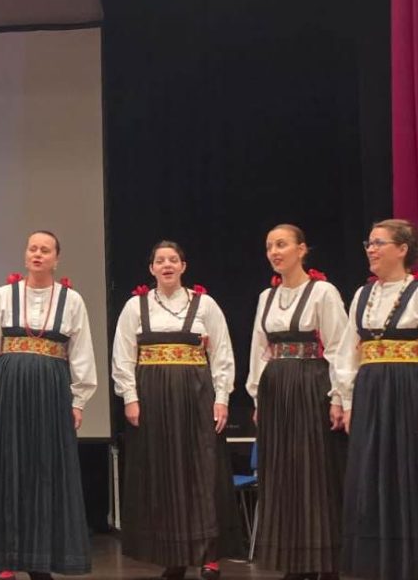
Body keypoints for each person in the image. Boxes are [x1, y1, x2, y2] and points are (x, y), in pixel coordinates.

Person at [0, 231, 96, 579]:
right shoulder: (4, 295)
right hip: (8, 388)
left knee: (45, 469)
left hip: (52, 391)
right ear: (25, 256)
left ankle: (41, 559)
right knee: (5, 467)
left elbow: (81, 353)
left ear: (56, 258)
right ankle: (4, 557)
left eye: (45, 250)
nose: (38, 254)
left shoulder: (72, 301)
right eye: (33, 249)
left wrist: (79, 400)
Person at [338, 219, 418, 580]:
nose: (371, 249)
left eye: (379, 242)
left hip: (409, 393)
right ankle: (379, 563)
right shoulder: (362, 296)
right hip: (371, 394)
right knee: (372, 476)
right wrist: (347, 400)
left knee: (415, 476)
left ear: (403, 249)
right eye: (369, 243)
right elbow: (347, 353)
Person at [111, 240, 242, 580]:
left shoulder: (204, 304)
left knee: (202, 472)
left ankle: (209, 555)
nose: (166, 265)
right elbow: (123, 355)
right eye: (160, 260)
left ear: (183, 266)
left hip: (196, 395)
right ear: (151, 268)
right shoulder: (135, 306)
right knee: (163, 474)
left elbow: (222, 353)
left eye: (173, 260)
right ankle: (173, 556)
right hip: (152, 398)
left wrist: (222, 397)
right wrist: (130, 397)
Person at [246, 224, 347, 580]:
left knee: (314, 471)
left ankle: (325, 561)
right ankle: (294, 561)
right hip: (276, 388)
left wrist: (339, 397)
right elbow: (259, 349)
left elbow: (339, 346)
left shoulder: (323, 292)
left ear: (302, 250)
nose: (274, 252)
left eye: (282, 244)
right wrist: (258, 396)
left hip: (310, 384)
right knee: (282, 473)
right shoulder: (267, 297)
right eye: (269, 246)